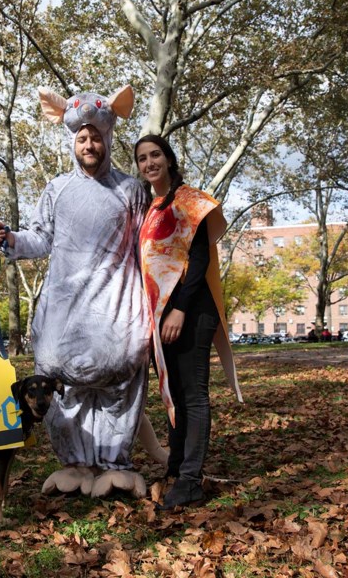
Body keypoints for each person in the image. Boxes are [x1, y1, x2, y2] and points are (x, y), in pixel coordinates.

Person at [0, 85, 158, 498]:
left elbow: (149, 246)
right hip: (63, 309)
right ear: (73, 142)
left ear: (108, 139)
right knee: (63, 383)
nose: (89, 144)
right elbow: (40, 238)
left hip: (116, 306)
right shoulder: (56, 189)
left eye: (96, 136)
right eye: (82, 138)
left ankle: (115, 464)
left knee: (119, 384)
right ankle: (76, 463)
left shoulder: (131, 191)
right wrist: (10, 238)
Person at [135, 134, 242, 509]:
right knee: (174, 392)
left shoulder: (189, 201)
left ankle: (191, 480)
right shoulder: (150, 208)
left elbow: (199, 259)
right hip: (160, 315)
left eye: (156, 155)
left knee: (193, 394)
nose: (150, 163)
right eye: (143, 158)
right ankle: (177, 468)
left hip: (192, 309)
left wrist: (179, 307)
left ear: (168, 158)